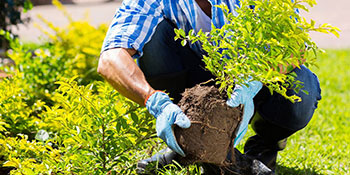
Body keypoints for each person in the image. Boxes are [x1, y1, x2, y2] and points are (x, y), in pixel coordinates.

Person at [97, 0, 321, 174]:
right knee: (153, 37)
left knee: (301, 88)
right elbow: (111, 58)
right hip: (193, 82)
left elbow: (293, 46)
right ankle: (188, 140)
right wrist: (153, 100)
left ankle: (265, 145)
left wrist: (254, 80)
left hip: (252, 78)